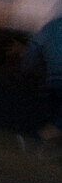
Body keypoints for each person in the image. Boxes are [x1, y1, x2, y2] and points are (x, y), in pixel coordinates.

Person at [20, 8, 62, 151]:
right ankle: (34, 140)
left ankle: (41, 147)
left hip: (53, 81)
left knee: (56, 117)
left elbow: (33, 47)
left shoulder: (51, 26)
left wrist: (27, 68)